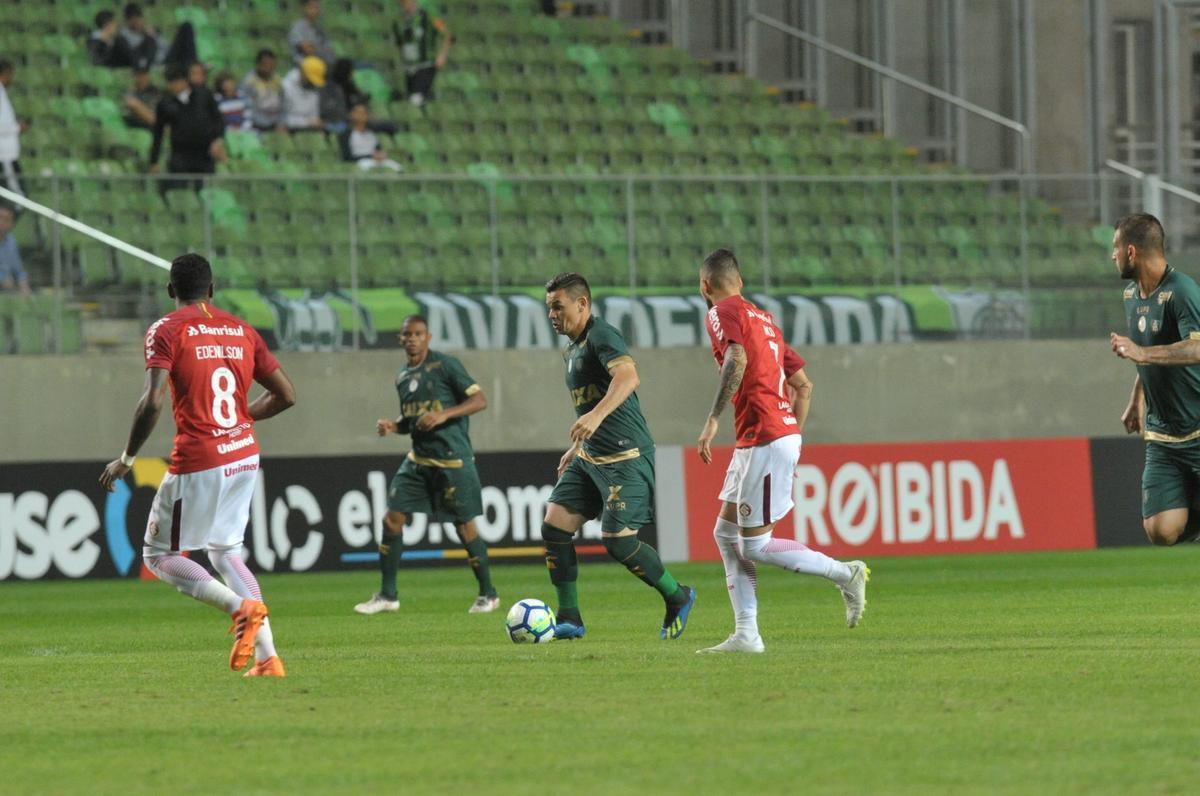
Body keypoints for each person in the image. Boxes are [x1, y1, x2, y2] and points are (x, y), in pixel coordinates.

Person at [98, 253, 296, 677]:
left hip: (201, 457)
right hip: (243, 453)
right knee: (226, 552)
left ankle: (239, 608)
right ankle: (268, 658)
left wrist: (128, 458)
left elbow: (153, 400)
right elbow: (286, 395)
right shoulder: (242, 329)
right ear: (212, 289)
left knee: (159, 556)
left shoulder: (166, 330)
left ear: (171, 290)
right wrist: (243, 419)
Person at [694, 249, 868, 654]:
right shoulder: (766, 321)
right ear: (740, 279)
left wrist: (714, 418)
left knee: (755, 545)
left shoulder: (721, 313)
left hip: (764, 438)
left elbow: (735, 358)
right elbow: (804, 386)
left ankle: (846, 573)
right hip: (768, 437)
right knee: (724, 533)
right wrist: (791, 436)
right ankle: (747, 634)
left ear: (705, 285)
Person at [541, 272, 696, 640]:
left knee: (617, 541)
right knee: (555, 524)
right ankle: (570, 618)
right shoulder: (573, 348)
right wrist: (578, 444)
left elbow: (628, 377)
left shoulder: (602, 334)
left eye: (558, 307)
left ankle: (678, 595)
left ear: (582, 304)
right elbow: (593, 402)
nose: (551, 315)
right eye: (548, 308)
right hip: (591, 457)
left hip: (627, 456)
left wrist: (593, 417)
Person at [354, 315, 499, 615]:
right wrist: (394, 427)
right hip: (419, 461)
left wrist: (444, 415)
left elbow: (480, 400)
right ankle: (387, 595)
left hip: (452, 460)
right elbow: (413, 421)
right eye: (407, 334)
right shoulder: (402, 377)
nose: (412, 338)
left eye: (418, 334)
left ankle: (488, 594)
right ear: (400, 338)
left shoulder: (446, 366)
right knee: (392, 519)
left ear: (428, 337)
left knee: (464, 526)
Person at [1108, 213, 1200, 546]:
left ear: (1131, 252)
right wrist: (1137, 399)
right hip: (1163, 436)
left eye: (1115, 248)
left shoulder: (1182, 291)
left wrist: (1142, 354)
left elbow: (1196, 348)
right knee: (1160, 531)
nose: (1112, 256)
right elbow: (1147, 351)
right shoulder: (1132, 296)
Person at [149, 64, 227, 194]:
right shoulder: (165, 103)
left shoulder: (204, 95)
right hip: (180, 155)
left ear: (184, 81)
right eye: (170, 82)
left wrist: (217, 141)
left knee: (205, 192)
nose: (171, 86)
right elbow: (158, 133)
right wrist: (154, 160)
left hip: (204, 155)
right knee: (179, 192)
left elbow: (219, 121)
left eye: (174, 82)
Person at [392, 0, 451, 109]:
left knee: (416, 99)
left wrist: (442, 55)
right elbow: (399, 44)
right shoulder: (398, 21)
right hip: (409, 67)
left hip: (425, 65)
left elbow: (446, 34)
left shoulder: (429, 16)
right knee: (412, 101)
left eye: (406, 2)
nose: (404, 4)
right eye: (401, 2)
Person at [120, 4, 198, 70]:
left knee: (187, 26)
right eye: (134, 20)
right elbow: (136, 52)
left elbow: (165, 47)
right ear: (128, 21)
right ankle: (191, 64)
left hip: (167, 56)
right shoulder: (125, 34)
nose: (138, 23)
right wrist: (148, 37)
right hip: (158, 62)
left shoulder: (147, 30)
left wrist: (154, 35)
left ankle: (193, 63)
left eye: (139, 19)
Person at [338, 102, 402, 171]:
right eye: (358, 113)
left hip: (376, 161)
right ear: (352, 115)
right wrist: (370, 156)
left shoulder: (372, 133)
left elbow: (378, 149)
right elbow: (346, 157)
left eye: (364, 113)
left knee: (396, 167)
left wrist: (380, 154)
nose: (361, 115)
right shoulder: (345, 134)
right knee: (366, 167)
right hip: (358, 162)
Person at [240, 49, 284, 132]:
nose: (269, 68)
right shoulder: (248, 81)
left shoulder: (278, 80)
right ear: (258, 64)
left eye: (272, 65)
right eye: (266, 65)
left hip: (275, 124)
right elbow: (245, 106)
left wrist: (280, 122)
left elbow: (283, 103)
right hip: (256, 125)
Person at [0, 60, 26, 200]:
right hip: (4, 155)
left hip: (8, 155)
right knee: (18, 197)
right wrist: (17, 128)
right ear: (6, 73)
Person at [281, 56, 327, 132]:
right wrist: (308, 122)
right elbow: (284, 119)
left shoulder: (314, 89)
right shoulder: (285, 86)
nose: (313, 83)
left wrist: (316, 123)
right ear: (303, 72)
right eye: (311, 79)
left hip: (307, 130)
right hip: (287, 131)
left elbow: (314, 116)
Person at [288, 0, 337, 66]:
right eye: (312, 7)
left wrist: (316, 47)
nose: (315, 10)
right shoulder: (297, 27)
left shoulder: (319, 29)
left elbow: (331, 53)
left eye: (317, 7)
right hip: (304, 69)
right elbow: (308, 50)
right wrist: (321, 49)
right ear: (303, 8)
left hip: (321, 66)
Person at [0, 204, 30, 295]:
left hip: (7, 290)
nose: (1, 222)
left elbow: (18, 270)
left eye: (6, 220)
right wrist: (2, 278)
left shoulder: (11, 241)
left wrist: (23, 283)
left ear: (11, 224)